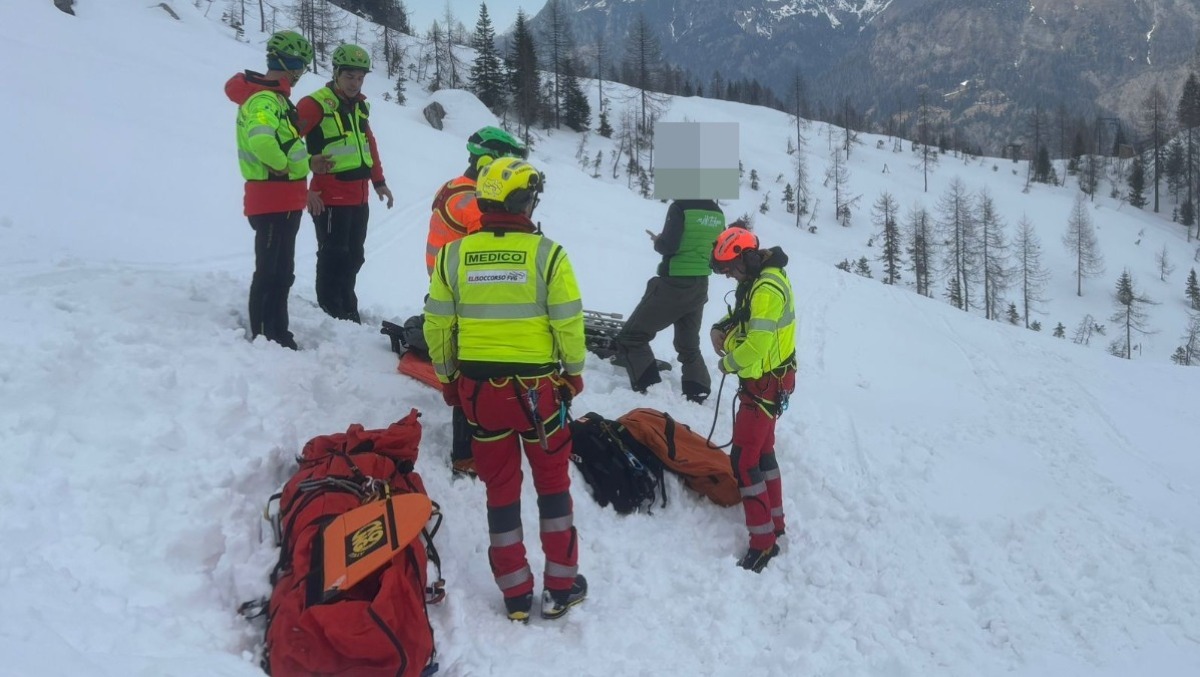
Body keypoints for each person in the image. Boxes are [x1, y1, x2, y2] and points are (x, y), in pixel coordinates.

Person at [423, 156, 588, 622]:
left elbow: (437, 323)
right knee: (553, 488)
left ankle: (515, 593)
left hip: (480, 395)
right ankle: (559, 587)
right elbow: (568, 324)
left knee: (500, 489)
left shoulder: (455, 255)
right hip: (538, 394)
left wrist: (448, 378)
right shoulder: (548, 254)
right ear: (524, 201)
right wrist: (573, 372)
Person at [425, 126, 527, 478]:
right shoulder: (474, 204)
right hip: (462, 295)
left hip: (449, 286)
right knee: (472, 369)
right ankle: (465, 453)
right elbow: (490, 252)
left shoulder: (453, 186)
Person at [225, 30, 332, 349]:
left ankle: (278, 332)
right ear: (292, 66)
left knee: (282, 271)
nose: (300, 74)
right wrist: (281, 165)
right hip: (271, 198)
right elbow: (261, 139)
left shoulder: (276, 100)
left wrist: (307, 162)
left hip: (285, 199)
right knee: (271, 270)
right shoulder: (265, 99)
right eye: (301, 66)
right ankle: (263, 334)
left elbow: (282, 143)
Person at [708, 226, 796, 573]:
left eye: (731, 268)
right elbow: (742, 317)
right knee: (763, 453)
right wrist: (720, 326)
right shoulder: (758, 281)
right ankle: (775, 524)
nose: (729, 274)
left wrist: (727, 361)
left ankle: (763, 544)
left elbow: (757, 344)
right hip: (768, 382)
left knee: (744, 460)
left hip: (763, 385)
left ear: (746, 257)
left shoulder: (767, 289)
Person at [296, 44, 394, 323]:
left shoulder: (359, 105)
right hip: (328, 197)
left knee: (354, 256)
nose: (355, 83)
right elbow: (285, 144)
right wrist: (304, 189)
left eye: (360, 77)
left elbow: (368, 144)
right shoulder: (313, 104)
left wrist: (379, 182)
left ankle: (347, 304)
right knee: (333, 255)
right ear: (336, 73)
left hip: (358, 195)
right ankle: (331, 311)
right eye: (349, 76)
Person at [615, 199, 725, 402]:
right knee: (688, 342)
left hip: (675, 282)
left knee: (632, 336)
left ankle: (648, 386)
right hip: (700, 284)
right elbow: (719, 249)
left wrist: (658, 240)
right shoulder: (717, 213)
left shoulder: (681, 207)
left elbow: (669, 246)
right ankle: (697, 387)